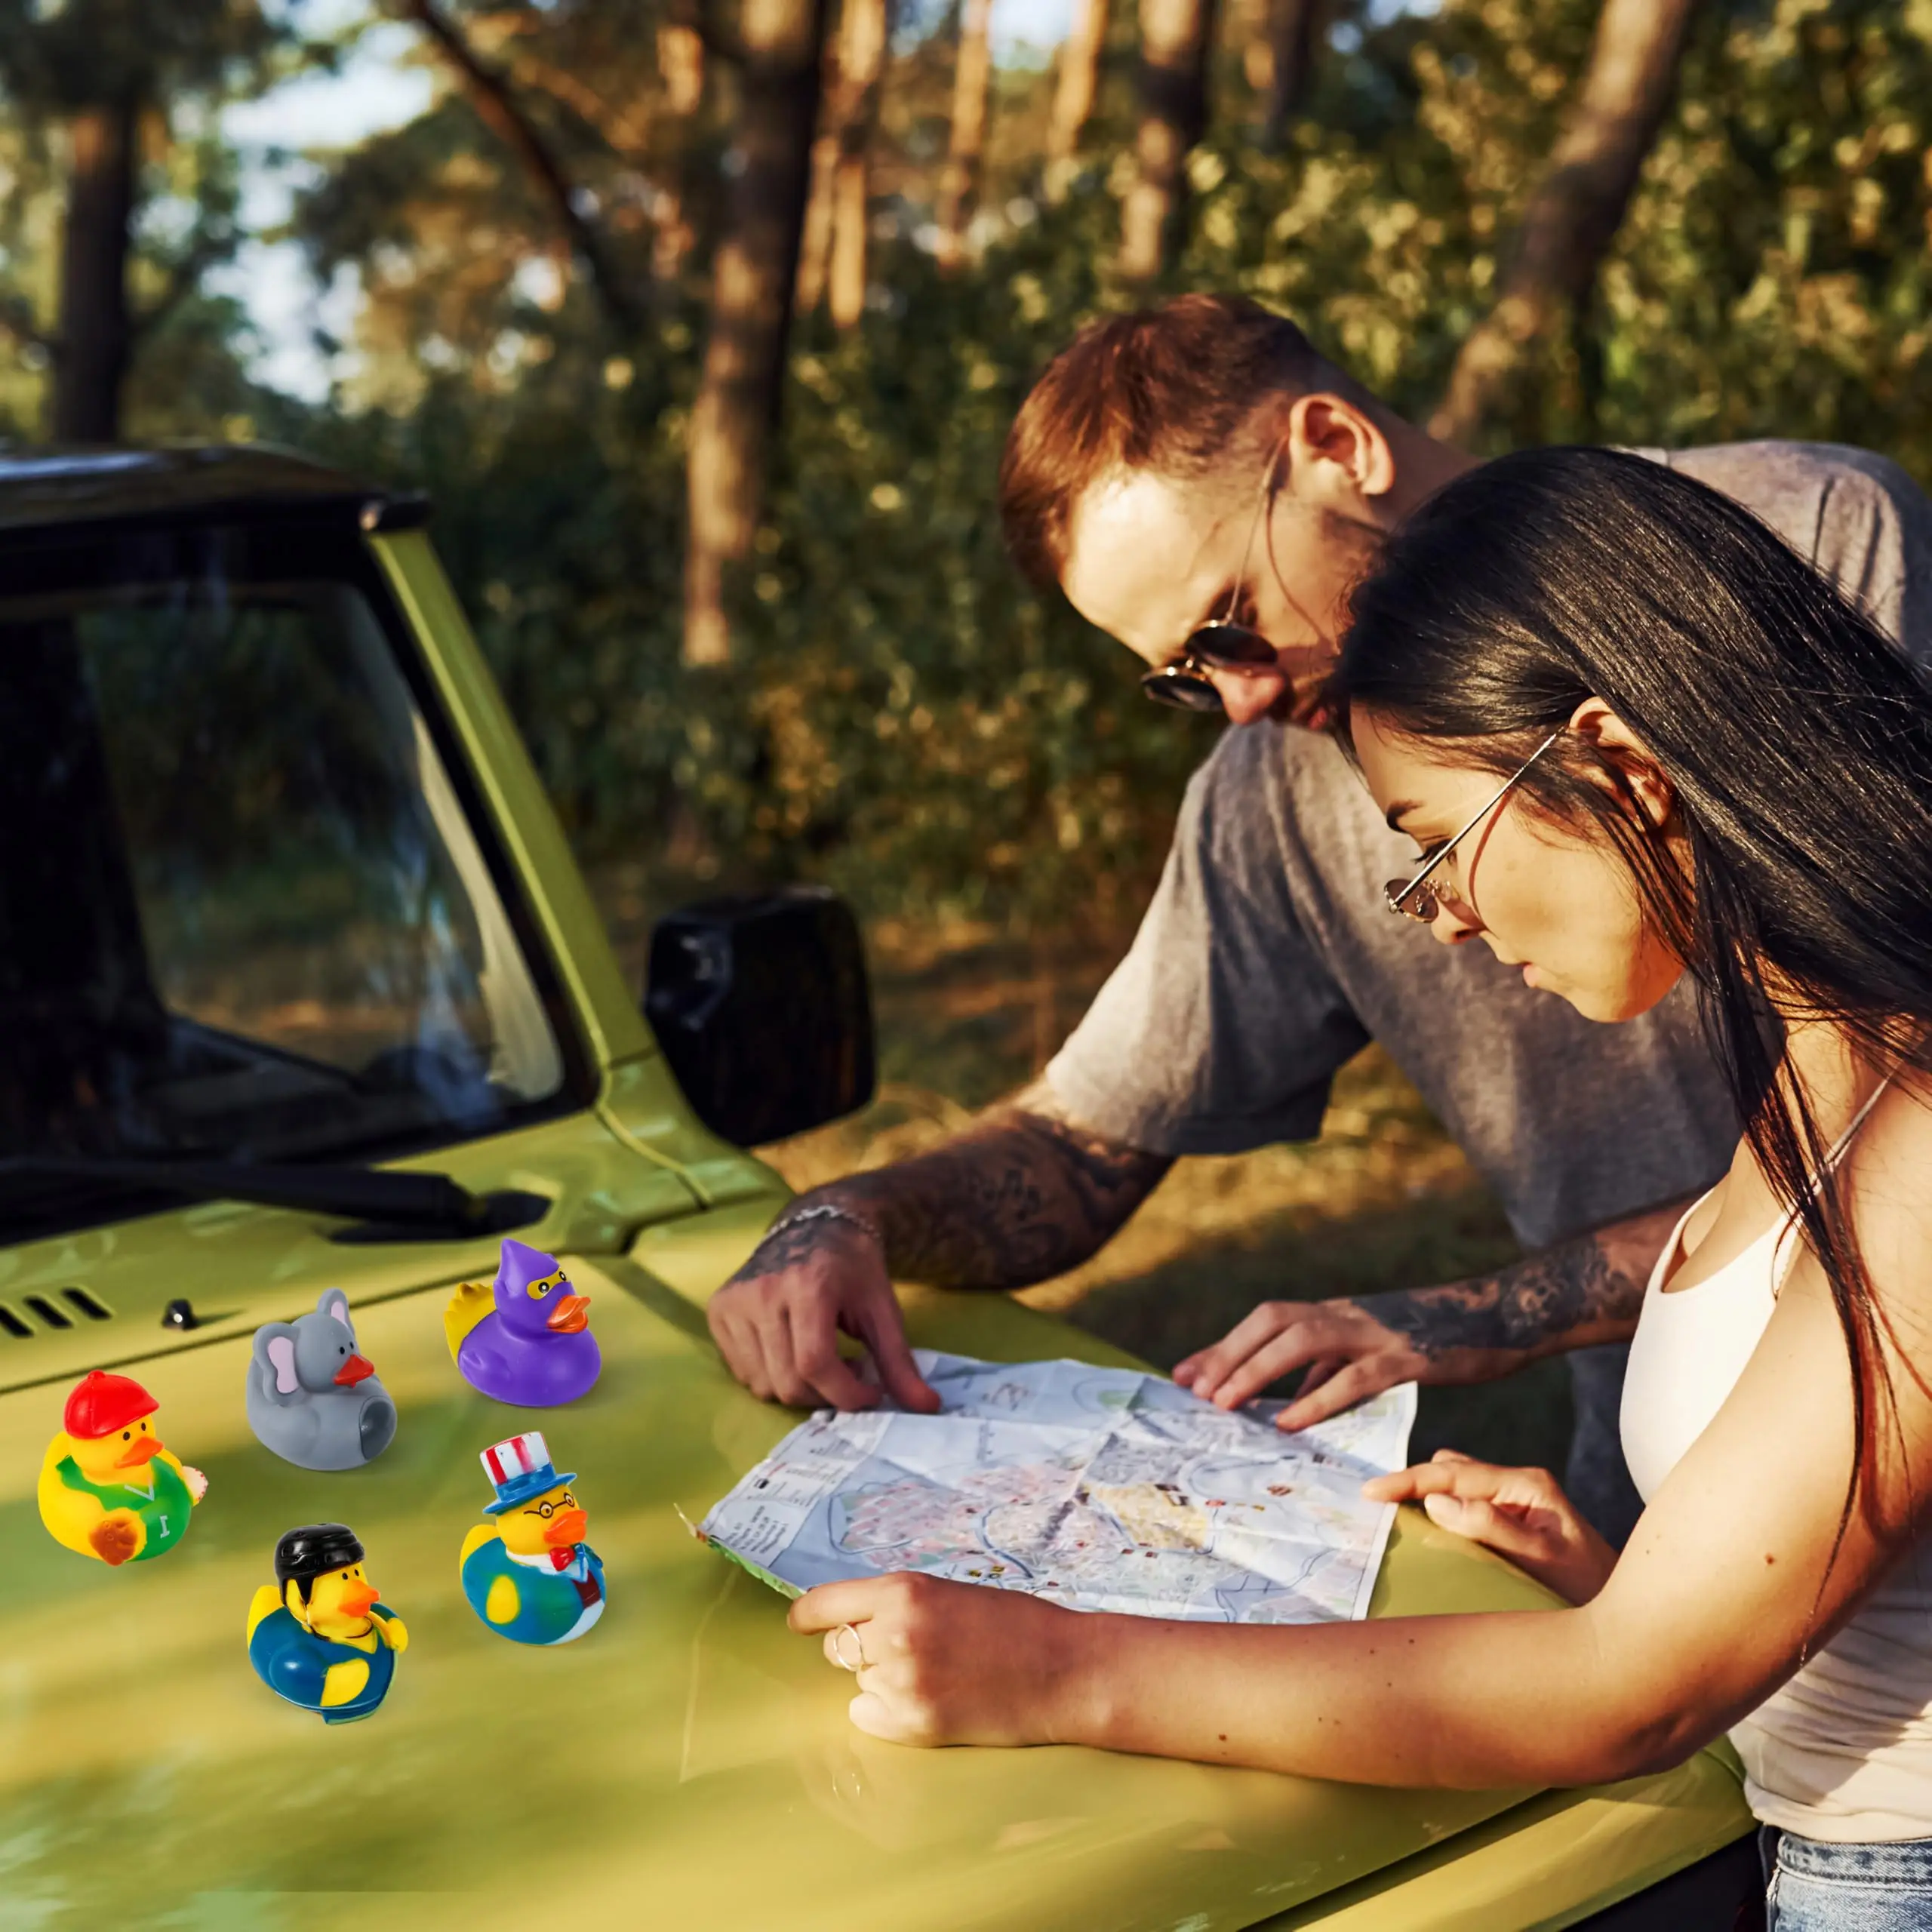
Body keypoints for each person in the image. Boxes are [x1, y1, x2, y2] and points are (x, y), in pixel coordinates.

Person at [788, 448, 1932, 1927]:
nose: (1443, 917)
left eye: (1430, 844)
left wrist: (1052, 1663)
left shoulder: (1909, 1117)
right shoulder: (1815, 1054)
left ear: (1619, 763)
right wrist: (1618, 1572)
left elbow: (1627, 1697)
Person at [706, 293, 1932, 1543]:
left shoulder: (1810, 543)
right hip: (1654, 1500)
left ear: (1338, 444)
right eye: (1184, 678)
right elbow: (1086, 1143)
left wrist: (1472, 1313)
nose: (1237, 700)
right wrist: (840, 1217)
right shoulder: (1273, 789)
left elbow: (1896, 1114)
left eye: (1228, 622)